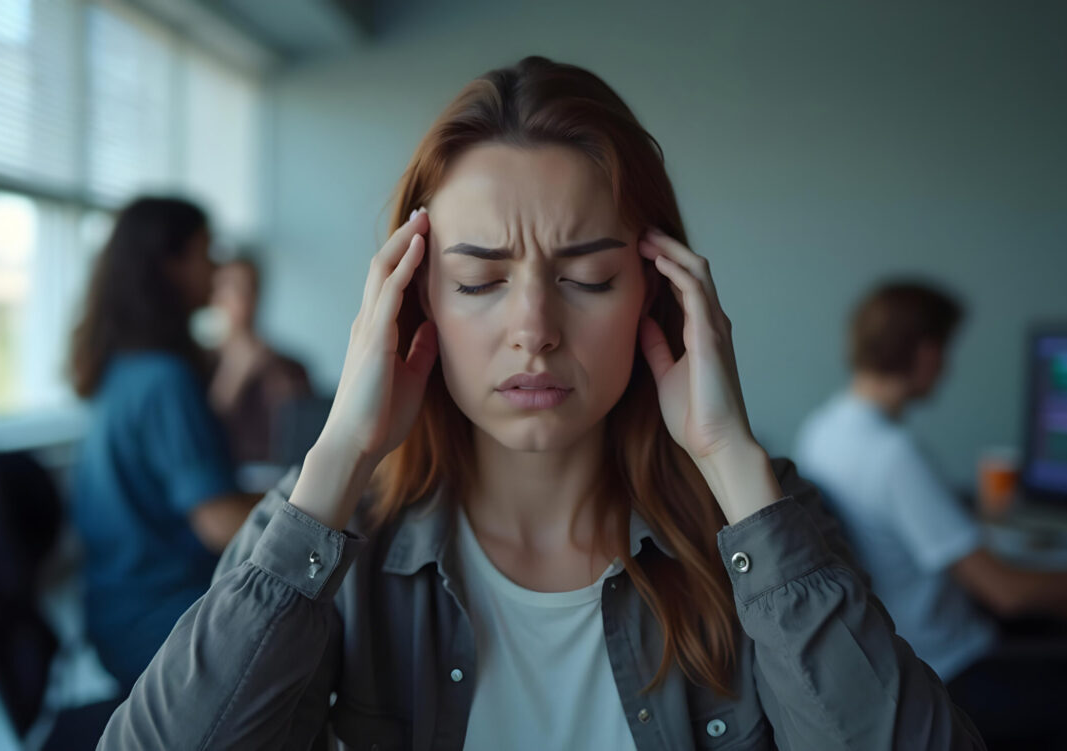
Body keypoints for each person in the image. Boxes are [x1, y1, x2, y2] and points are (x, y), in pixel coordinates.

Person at [99, 58, 982, 750]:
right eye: (479, 280)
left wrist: (729, 457)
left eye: (588, 277)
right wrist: (338, 457)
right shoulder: (333, 532)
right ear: (414, 301)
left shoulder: (765, 523)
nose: (534, 328)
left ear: (656, 292)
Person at [794, 281, 1067, 749]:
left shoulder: (823, 429)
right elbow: (1008, 594)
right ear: (927, 352)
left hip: (897, 661)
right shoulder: (894, 455)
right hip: (951, 671)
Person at [68, 197, 259, 689]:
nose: (216, 268)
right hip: (160, 621)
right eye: (205, 253)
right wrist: (315, 504)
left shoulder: (123, 370)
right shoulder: (164, 379)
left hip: (113, 618)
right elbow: (221, 523)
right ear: (168, 265)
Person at [208, 256, 312, 464]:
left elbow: (306, 435)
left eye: (251, 287)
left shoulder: (289, 367)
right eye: (233, 287)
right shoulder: (200, 363)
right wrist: (235, 372)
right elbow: (203, 431)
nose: (244, 296)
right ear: (214, 295)